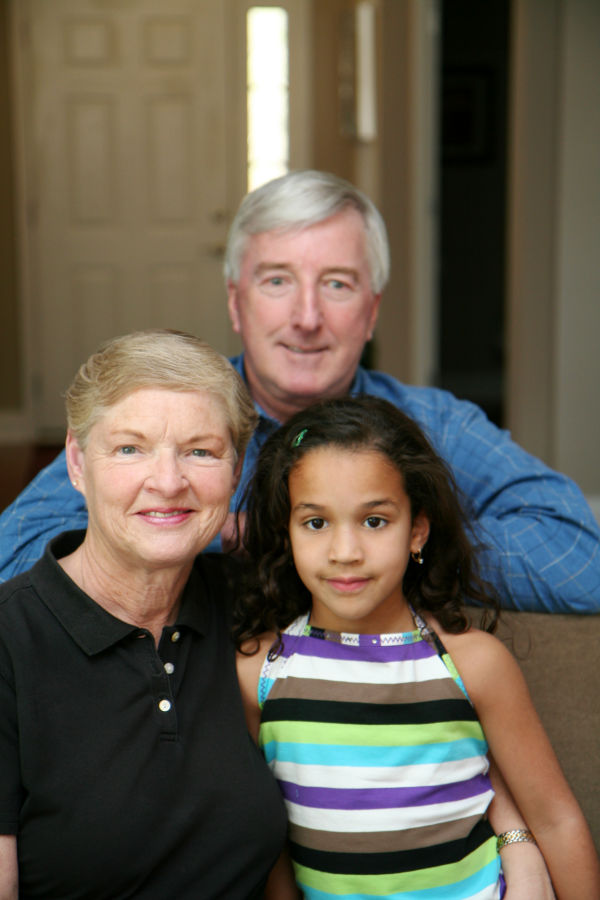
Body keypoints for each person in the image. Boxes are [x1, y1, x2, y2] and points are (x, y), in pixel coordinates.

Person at [1, 170, 599, 614]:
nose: (306, 316)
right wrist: (219, 530)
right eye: (278, 281)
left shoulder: (435, 423)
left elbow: (581, 558)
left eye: (337, 284)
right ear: (237, 302)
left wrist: (381, 538)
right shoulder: (166, 413)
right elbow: (13, 552)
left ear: (371, 312)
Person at [235, 395, 600, 900]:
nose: (346, 553)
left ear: (418, 530)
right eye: (316, 523)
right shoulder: (260, 672)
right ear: (287, 532)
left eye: (375, 521)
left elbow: (557, 821)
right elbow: (271, 847)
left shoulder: (473, 663)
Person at [0, 330, 288, 899]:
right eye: (130, 448)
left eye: (200, 450)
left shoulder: (259, 608)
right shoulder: (10, 641)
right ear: (77, 463)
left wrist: (516, 839)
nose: (168, 481)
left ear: (235, 473)